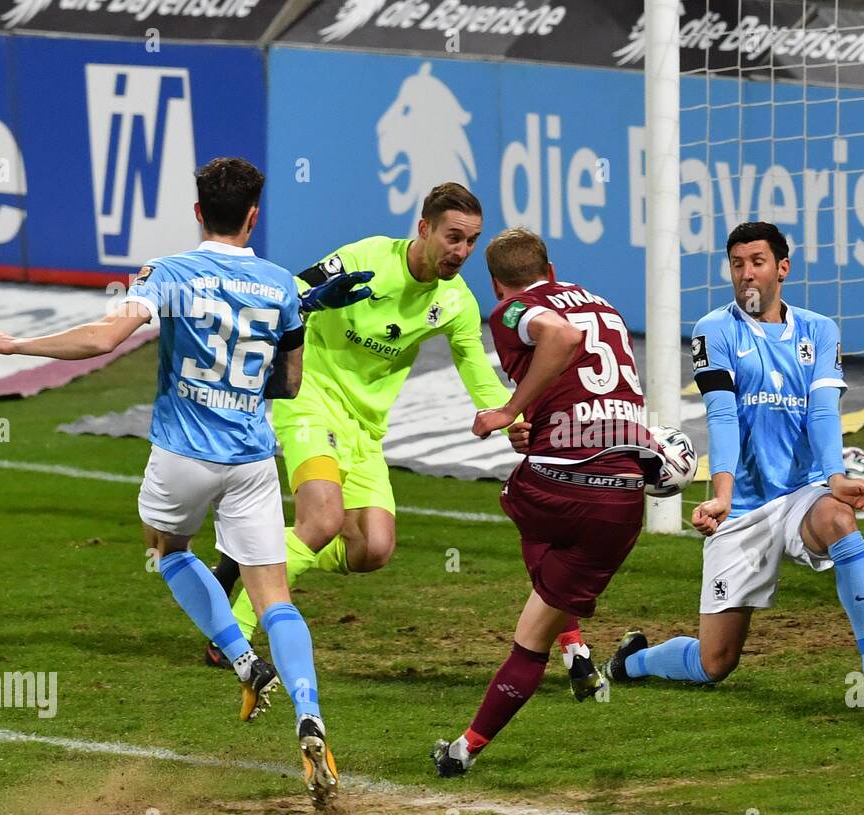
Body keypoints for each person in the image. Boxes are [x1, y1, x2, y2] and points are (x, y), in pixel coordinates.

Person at [0, 157, 338, 805]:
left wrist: (18, 346)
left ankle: (241, 657)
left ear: (198, 212)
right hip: (252, 457)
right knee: (275, 596)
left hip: (183, 453)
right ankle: (309, 714)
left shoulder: (168, 273)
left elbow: (103, 339)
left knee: (167, 547)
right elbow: (289, 385)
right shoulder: (282, 284)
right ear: (254, 215)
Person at [209, 183, 603, 694]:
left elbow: (475, 369)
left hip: (366, 427)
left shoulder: (455, 302)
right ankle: (231, 634)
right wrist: (307, 303)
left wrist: (507, 414)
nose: (460, 252)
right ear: (424, 229)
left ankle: (254, 557)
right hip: (309, 398)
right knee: (323, 520)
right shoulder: (365, 258)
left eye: (470, 242)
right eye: (452, 237)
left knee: (373, 549)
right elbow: (293, 293)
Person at [600, 221, 864, 702]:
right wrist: (721, 495)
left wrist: (834, 478)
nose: (746, 274)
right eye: (737, 264)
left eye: (757, 262)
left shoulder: (819, 331)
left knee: (841, 522)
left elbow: (823, 413)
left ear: (782, 268)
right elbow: (722, 416)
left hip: (802, 493)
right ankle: (633, 660)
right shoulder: (714, 330)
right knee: (714, 663)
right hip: (740, 506)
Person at [432, 227, 650, 776]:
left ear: (497, 284)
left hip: (558, 482)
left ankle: (469, 745)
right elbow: (595, 387)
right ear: (551, 269)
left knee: (521, 505)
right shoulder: (606, 307)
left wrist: (508, 412)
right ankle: (571, 649)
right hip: (624, 496)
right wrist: (537, 423)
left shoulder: (512, 309)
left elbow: (558, 338)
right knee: (545, 606)